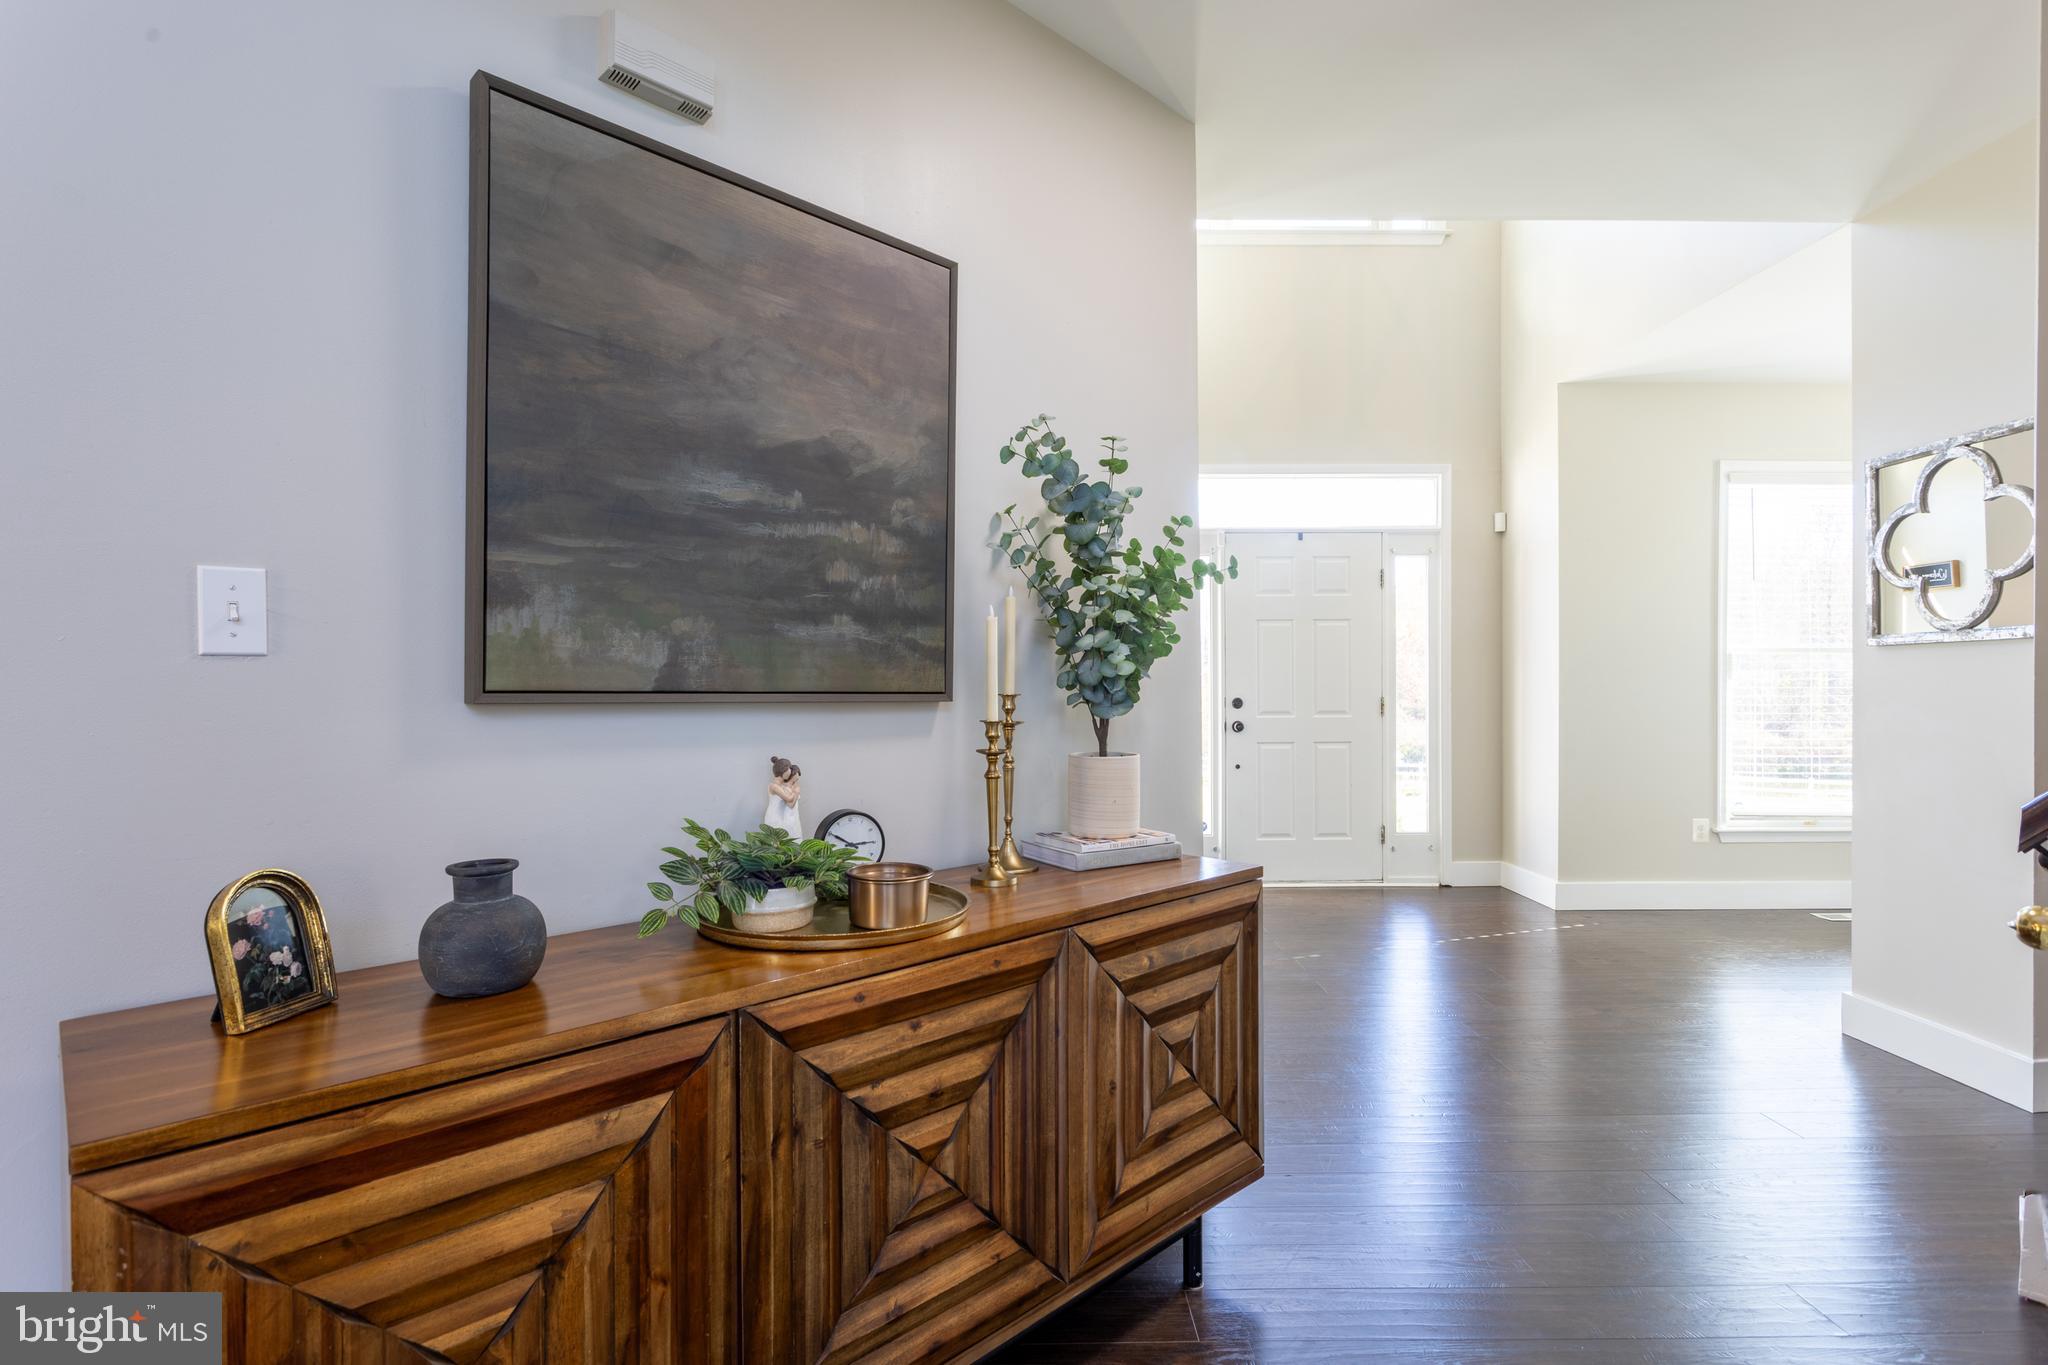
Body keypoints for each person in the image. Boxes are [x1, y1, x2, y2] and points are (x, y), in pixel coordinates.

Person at [765, 756, 803, 840]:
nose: (790, 772)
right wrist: (796, 791)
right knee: (776, 840)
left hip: (781, 817)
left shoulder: (782, 786)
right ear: (784, 770)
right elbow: (789, 799)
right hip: (774, 817)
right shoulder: (774, 786)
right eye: (789, 769)